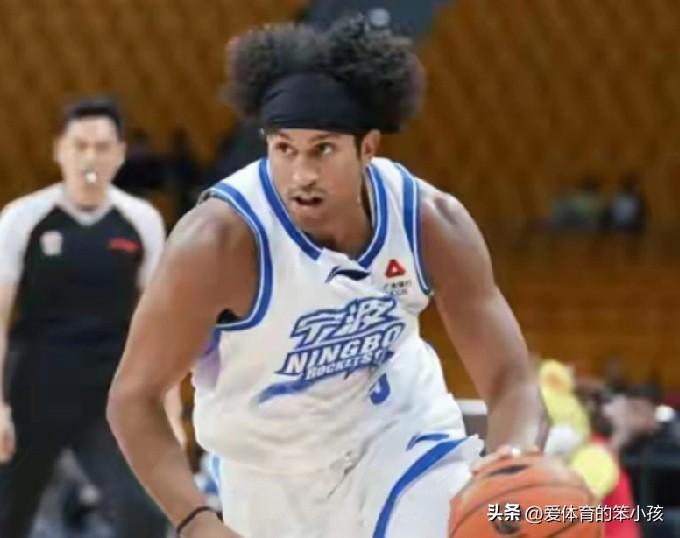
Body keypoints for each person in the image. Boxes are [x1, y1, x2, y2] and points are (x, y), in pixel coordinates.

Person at [108, 17, 546, 538]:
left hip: (400, 439)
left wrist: (511, 468)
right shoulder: (216, 244)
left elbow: (510, 377)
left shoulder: (429, 222)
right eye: (284, 148)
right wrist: (196, 521)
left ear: (368, 147)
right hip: (266, 474)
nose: (302, 174)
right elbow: (133, 398)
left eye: (323, 149)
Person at [0, 96, 169, 537]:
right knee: (7, 515)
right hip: (33, 387)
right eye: (80, 146)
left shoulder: (142, 220)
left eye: (102, 146)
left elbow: (160, 327)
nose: (90, 157)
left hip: (107, 392)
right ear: (60, 149)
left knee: (145, 514)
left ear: (120, 154)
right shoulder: (22, 218)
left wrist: (168, 411)